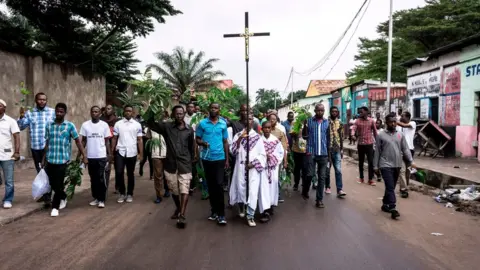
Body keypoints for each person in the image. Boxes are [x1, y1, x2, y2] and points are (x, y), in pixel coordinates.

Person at [147, 105, 195, 228]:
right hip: (170, 164)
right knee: (174, 190)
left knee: (184, 189)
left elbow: (191, 147)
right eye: (177, 114)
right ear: (173, 115)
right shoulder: (167, 127)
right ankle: (178, 208)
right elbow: (151, 124)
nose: (179, 116)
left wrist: (191, 161)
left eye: (181, 113)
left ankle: (182, 215)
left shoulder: (189, 130)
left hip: (185, 164)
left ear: (184, 114)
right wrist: (152, 108)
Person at [42, 103, 88, 217]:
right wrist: (44, 159)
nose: (58, 113)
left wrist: (84, 156)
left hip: (62, 161)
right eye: (57, 111)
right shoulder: (49, 125)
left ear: (65, 113)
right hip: (50, 160)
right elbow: (47, 143)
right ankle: (63, 196)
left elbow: (78, 141)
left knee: (58, 184)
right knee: (52, 184)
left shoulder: (69, 126)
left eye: (61, 111)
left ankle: (55, 207)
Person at [374, 113, 415, 219]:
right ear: (386, 122)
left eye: (395, 121)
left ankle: (385, 204)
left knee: (390, 187)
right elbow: (377, 151)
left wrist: (410, 160)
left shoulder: (400, 135)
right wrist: (375, 166)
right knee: (390, 186)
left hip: (397, 164)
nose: (393, 123)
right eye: (391, 121)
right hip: (385, 164)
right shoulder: (381, 135)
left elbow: (405, 149)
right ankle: (393, 207)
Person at [17, 92, 55, 205]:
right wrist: (21, 117)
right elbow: (21, 126)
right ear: (36, 100)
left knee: (48, 170)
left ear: (46, 100)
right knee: (40, 172)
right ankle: (45, 194)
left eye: (44, 99)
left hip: (48, 147)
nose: (42, 101)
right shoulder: (30, 113)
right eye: (40, 99)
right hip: (35, 147)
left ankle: (48, 196)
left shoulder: (52, 112)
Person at [229, 115, 267, 227]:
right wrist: (240, 138)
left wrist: (253, 163)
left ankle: (250, 216)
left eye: (250, 119)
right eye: (246, 119)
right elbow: (233, 152)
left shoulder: (258, 138)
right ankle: (241, 208)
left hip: (253, 168)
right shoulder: (237, 135)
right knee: (241, 188)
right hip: (240, 168)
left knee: (253, 191)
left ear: (253, 122)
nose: (248, 121)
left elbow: (262, 155)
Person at [195, 103, 229, 225]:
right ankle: (214, 211)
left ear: (219, 110)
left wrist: (227, 159)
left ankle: (222, 214)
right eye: (212, 108)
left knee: (219, 185)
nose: (213, 110)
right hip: (207, 158)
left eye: (216, 108)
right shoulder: (202, 124)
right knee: (211, 185)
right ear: (209, 110)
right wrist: (202, 143)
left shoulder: (223, 124)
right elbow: (197, 139)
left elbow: (225, 141)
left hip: (219, 158)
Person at [79, 106, 112, 208]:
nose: (94, 113)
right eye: (92, 111)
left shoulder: (104, 125)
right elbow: (83, 141)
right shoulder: (85, 125)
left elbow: (107, 141)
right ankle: (96, 197)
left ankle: (102, 199)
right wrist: (80, 155)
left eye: (96, 112)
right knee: (93, 179)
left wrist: (109, 155)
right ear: (90, 113)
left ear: (100, 114)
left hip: (101, 156)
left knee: (101, 178)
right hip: (90, 157)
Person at [111, 105, 143, 204]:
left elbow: (139, 139)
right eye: (126, 111)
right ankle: (122, 193)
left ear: (133, 112)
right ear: (124, 112)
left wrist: (141, 153)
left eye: (130, 111)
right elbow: (114, 138)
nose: (128, 112)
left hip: (132, 152)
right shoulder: (118, 124)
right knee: (119, 173)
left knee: (130, 174)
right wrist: (112, 152)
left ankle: (129, 193)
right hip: (120, 151)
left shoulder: (137, 125)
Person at [302, 104, 330, 208]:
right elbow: (305, 137)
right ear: (315, 111)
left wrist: (329, 155)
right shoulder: (309, 121)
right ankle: (305, 190)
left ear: (324, 111)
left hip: (323, 153)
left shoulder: (327, 122)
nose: (320, 112)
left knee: (322, 177)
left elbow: (328, 139)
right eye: (318, 110)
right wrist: (304, 126)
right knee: (310, 174)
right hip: (311, 152)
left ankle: (319, 200)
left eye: (322, 110)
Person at [259, 121, 284, 223]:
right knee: (263, 188)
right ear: (262, 129)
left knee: (272, 187)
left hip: (273, 168)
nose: (267, 130)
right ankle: (265, 211)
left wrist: (272, 158)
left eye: (269, 128)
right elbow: (256, 154)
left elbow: (280, 153)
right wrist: (264, 157)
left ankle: (270, 206)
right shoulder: (259, 141)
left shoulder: (275, 141)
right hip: (263, 169)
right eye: (265, 128)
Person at [0, 99, 20, 209]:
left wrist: (17, 152)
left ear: (4, 108)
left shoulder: (10, 121)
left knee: (9, 180)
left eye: (0, 106)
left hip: (7, 155)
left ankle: (8, 199)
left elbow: (16, 136)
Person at [351, 106, 377, 186]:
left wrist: (378, 142)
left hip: (369, 144)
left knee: (371, 162)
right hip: (361, 144)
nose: (360, 113)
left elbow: (375, 132)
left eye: (361, 112)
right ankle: (361, 178)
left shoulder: (371, 121)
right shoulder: (357, 121)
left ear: (366, 112)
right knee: (361, 162)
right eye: (359, 112)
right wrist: (352, 135)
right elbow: (353, 129)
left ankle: (370, 179)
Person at [326, 106, 346, 197]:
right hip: (327, 150)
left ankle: (340, 189)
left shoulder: (340, 123)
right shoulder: (326, 122)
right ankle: (327, 186)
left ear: (338, 113)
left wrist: (342, 149)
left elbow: (341, 137)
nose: (334, 113)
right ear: (330, 112)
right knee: (327, 169)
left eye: (336, 112)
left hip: (337, 149)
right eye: (333, 111)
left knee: (338, 170)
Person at [396, 111, 416, 198]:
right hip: (400, 150)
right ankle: (403, 189)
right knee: (402, 170)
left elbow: (404, 125)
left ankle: (404, 186)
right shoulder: (399, 127)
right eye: (401, 116)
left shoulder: (412, 123)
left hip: (410, 150)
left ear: (408, 117)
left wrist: (394, 121)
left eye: (403, 116)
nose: (401, 117)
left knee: (408, 172)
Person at [145, 126, 168, 204]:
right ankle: (159, 195)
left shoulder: (168, 124)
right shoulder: (151, 126)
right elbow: (147, 137)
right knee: (158, 175)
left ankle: (167, 189)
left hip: (167, 153)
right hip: (156, 154)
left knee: (167, 173)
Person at [269, 114, 288, 203]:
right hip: (265, 160)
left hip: (277, 160)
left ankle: (278, 194)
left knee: (276, 178)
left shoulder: (280, 133)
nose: (272, 120)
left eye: (274, 119)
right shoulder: (263, 131)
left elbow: (284, 148)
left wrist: (285, 161)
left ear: (276, 121)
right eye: (270, 119)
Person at [100, 104, 119, 193]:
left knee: (118, 169)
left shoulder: (117, 121)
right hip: (105, 147)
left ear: (113, 110)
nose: (107, 110)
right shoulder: (101, 120)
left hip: (116, 147)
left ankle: (117, 186)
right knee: (106, 168)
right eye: (106, 109)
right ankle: (105, 189)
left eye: (109, 109)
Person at [292, 122, 308, 192]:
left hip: (306, 150)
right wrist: (297, 128)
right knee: (297, 168)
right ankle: (296, 183)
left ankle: (304, 184)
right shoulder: (295, 123)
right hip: (297, 150)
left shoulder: (310, 124)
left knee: (305, 168)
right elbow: (292, 134)